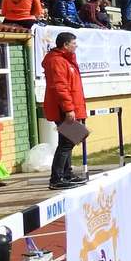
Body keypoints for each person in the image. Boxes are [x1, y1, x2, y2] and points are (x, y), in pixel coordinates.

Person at [41, 32, 88, 190]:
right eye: (73, 43)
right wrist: (69, 109)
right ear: (65, 45)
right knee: (67, 142)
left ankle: (66, 174)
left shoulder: (65, 60)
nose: (76, 46)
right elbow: (60, 87)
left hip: (67, 106)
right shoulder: (57, 61)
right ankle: (57, 178)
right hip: (62, 108)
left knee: (70, 139)